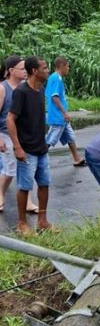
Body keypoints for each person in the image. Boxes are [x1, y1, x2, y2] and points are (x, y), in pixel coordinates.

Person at [6, 56, 53, 234]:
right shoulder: (21, 91)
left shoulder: (40, 89)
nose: (47, 71)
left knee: (44, 183)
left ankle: (42, 220)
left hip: (41, 147)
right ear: (34, 71)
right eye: (45, 68)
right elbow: (10, 119)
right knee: (24, 186)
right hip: (26, 148)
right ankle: (22, 223)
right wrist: (17, 147)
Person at [0, 56, 39, 214]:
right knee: (10, 169)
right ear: (10, 71)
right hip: (6, 134)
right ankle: (0, 194)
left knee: (27, 169)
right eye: (22, 69)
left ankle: (28, 202)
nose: (25, 71)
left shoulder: (25, 87)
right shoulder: (3, 88)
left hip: (24, 136)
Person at [44, 56, 85, 166]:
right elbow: (54, 97)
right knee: (51, 139)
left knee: (70, 136)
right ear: (62, 66)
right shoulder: (56, 78)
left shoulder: (54, 77)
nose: (68, 69)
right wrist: (64, 113)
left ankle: (77, 158)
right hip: (58, 117)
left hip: (61, 117)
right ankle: (39, 157)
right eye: (67, 66)